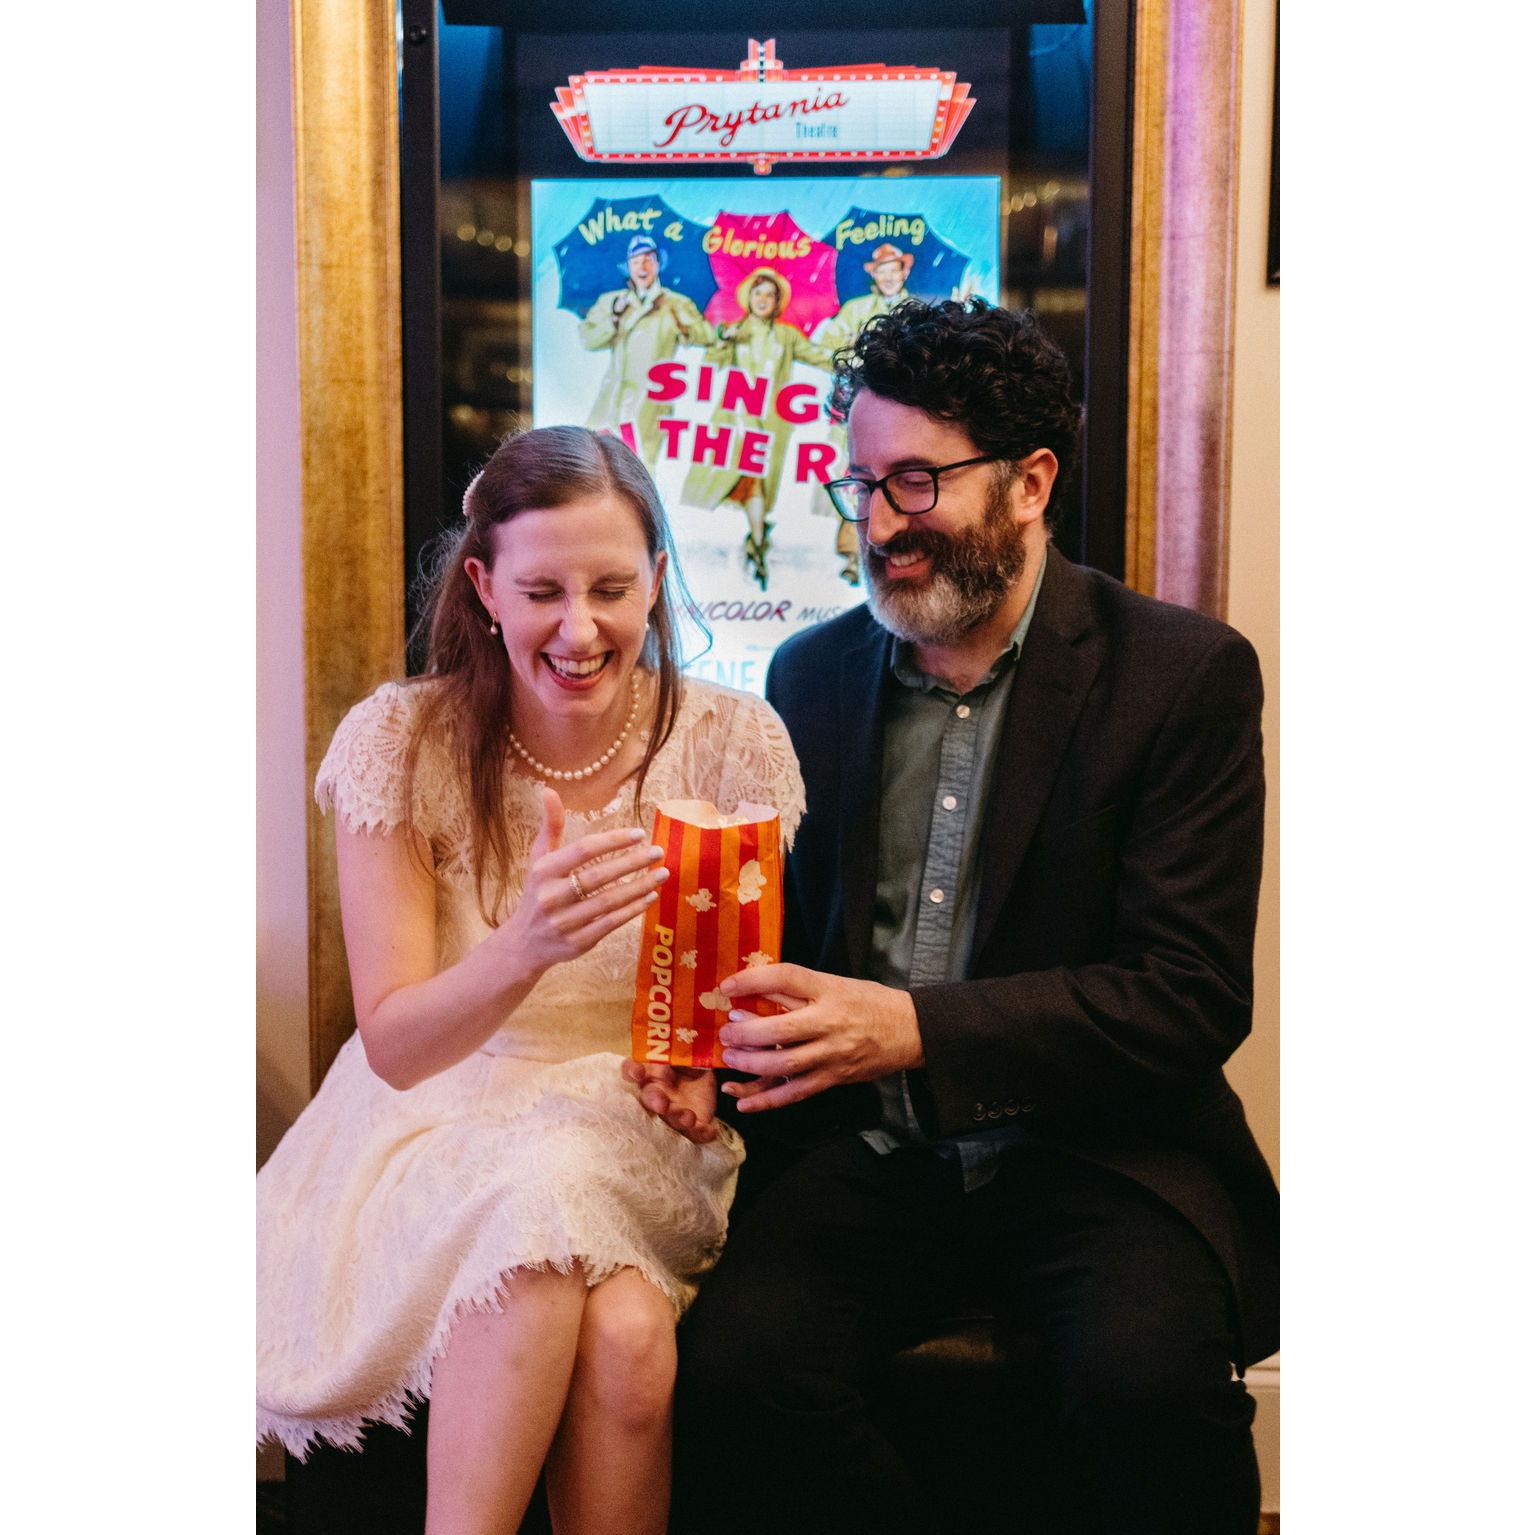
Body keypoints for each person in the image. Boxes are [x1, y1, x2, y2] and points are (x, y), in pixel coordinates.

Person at [631, 299, 1279, 1534]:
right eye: (858, 483)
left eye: (915, 483)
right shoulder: (808, 675)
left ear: (1029, 482)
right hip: (872, 1156)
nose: (877, 524)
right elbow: (792, 952)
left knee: (1146, 1389)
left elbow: (1187, 994)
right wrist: (710, 1053)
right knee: (731, 1376)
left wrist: (914, 1028)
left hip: (1101, 1151)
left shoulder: (1182, 674)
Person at [256, 425, 804, 1535]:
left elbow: (719, 994)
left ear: (655, 577)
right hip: (432, 1113)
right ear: (483, 585)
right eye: (542, 589)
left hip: (633, 1124)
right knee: (620, 1325)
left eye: (611, 587)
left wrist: (697, 1070)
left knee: (570, 1223)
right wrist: (525, 944)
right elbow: (397, 1043)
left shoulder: (733, 740)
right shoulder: (400, 739)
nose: (580, 626)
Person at [678, 267, 832, 590]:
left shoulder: (787, 335)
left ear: (778, 302)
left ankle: (757, 542)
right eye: (758, 293)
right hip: (736, 423)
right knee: (750, 480)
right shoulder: (735, 331)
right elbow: (710, 365)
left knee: (757, 486)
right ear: (748, 297)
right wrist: (723, 340)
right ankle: (759, 544)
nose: (763, 299)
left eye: (770, 295)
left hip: (771, 425)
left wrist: (856, 357)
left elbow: (817, 357)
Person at [811, 244, 915, 585]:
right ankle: (856, 556)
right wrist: (853, 351)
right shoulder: (855, 309)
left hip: (907, 418)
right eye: (881, 270)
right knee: (859, 483)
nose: (888, 277)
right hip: (860, 415)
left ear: (904, 272)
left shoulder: (919, 310)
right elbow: (830, 350)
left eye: (893, 269)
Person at [579, 235, 712, 465]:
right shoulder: (612, 301)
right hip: (612, 399)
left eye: (649, 260)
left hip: (649, 404)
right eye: (636, 261)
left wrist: (683, 323)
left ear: (659, 264)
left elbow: (707, 336)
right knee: (592, 467)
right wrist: (613, 317)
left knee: (639, 471)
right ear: (628, 267)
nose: (643, 267)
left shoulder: (676, 303)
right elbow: (588, 340)